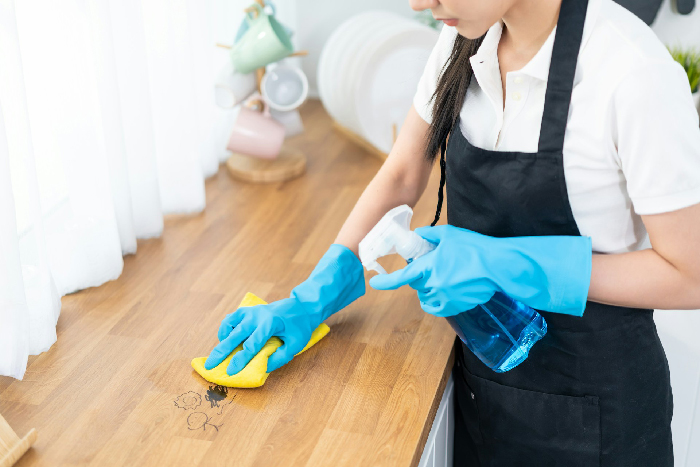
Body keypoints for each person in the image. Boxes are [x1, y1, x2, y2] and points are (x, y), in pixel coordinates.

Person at [204, 0, 700, 464]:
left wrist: (503, 264)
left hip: (598, 421)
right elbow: (401, 176)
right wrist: (314, 297)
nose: (420, 3)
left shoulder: (632, 73)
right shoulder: (464, 40)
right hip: (484, 390)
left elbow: (690, 275)